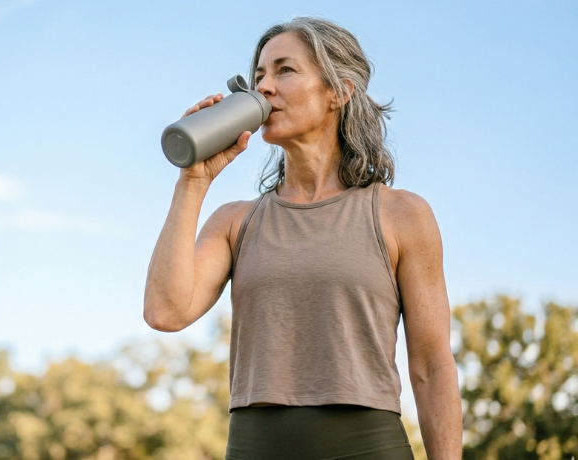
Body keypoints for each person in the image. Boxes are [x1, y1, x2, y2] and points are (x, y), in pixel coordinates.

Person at [144, 17, 462, 460]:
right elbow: (165, 312)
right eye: (258, 77)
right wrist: (192, 183)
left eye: (284, 70)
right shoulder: (235, 222)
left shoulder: (401, 214)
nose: (264, 88)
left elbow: (431, 367)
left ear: (339, 91)